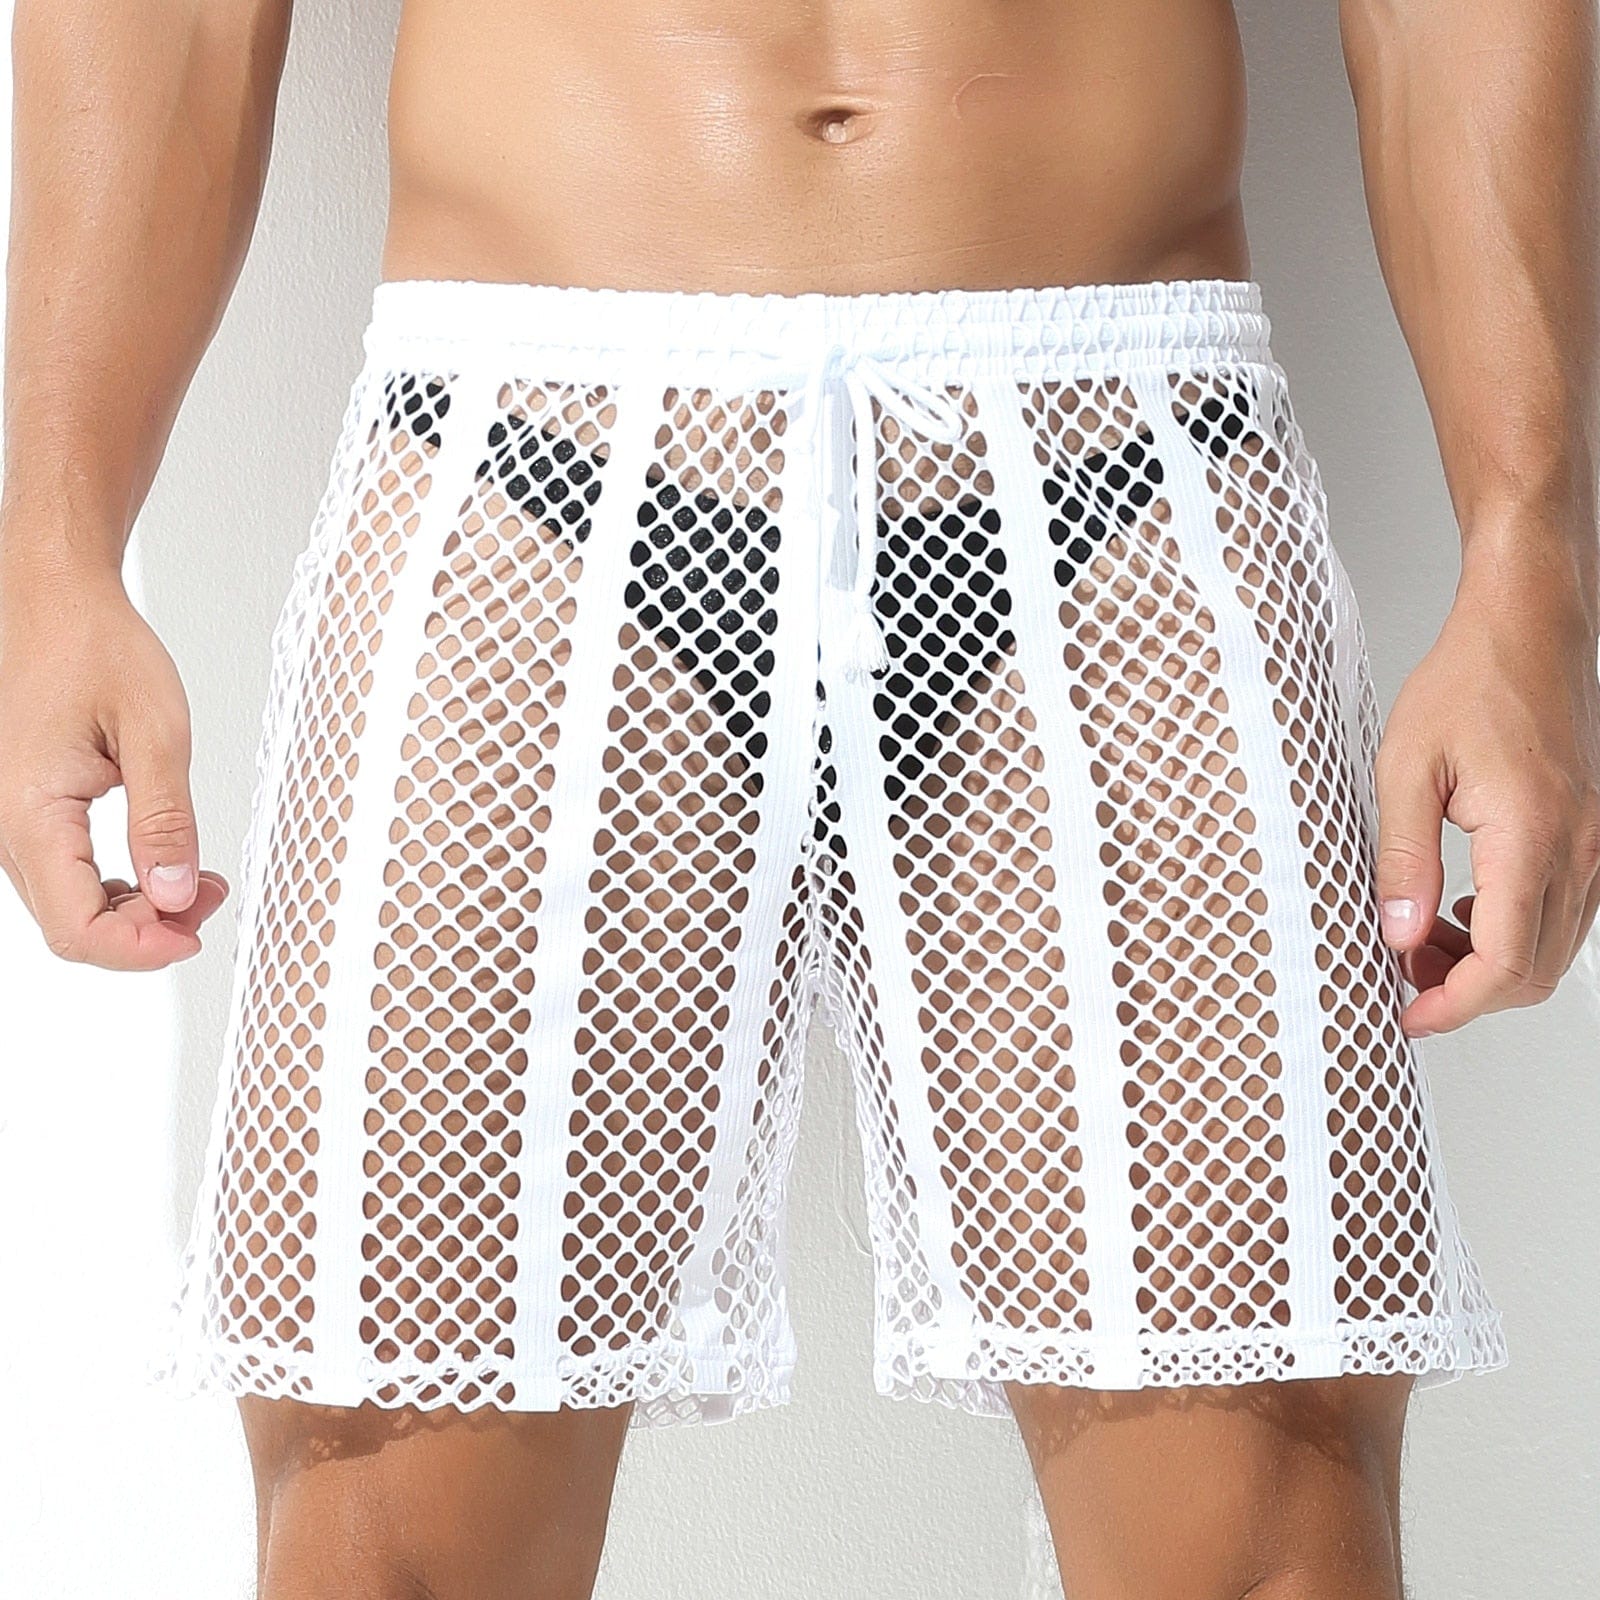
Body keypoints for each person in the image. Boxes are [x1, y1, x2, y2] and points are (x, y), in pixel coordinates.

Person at [0, 1, 1595, 1596]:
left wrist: (1531, 561)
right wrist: (54, 548)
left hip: (1122, 446)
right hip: (532, 443)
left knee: (1267, 1521)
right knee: (385, 1515)